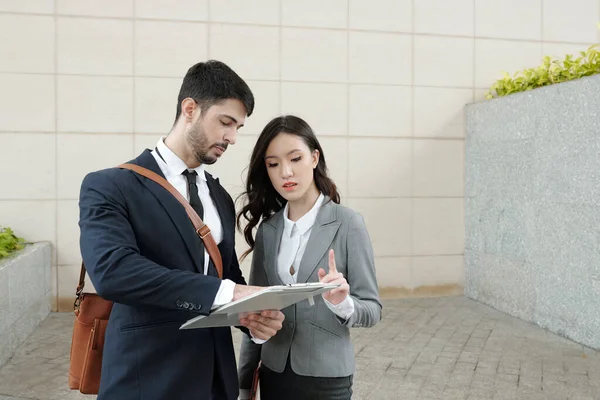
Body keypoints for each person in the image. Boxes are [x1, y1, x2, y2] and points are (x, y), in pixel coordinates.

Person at [78, 60, 285, 400]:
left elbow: (225, 276)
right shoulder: (110, 185)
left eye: (238, 127)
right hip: (146, 377)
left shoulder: (219, 196)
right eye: (225, 123)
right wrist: (230, 294)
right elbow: (113, 272)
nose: (232, 138)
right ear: (190, 109)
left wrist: (251, 315)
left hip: (216, 380)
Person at [236, 115, 382, 400]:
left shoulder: (348, 223)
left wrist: (343, 304)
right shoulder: (269, 230)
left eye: (295, 159)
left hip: (327, 378)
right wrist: (244, 384)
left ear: (314, 158)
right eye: (273, 164)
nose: (286, 172)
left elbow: (373, 309)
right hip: (274, 374)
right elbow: (255, 310)